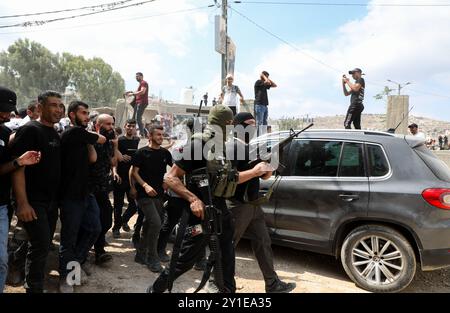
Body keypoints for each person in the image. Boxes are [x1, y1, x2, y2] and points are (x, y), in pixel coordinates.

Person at [148, 105, 273, 293]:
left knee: (226, 258)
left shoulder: (222, 146)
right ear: (219, 122)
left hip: (221, 210)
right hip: (200, 213)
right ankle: (154, 290)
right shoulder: (198, 144)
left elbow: (231, 178)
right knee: (184, 261)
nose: (231, 126)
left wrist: (256, 172)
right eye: (229, 122)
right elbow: (170, 177)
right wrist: (193, 199)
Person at [228, 112, 296, 293]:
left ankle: (272, 284)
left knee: (263, 242)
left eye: (254, 124)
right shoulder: (232, 147)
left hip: (253, 204)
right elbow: (229, 179)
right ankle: (216, 280)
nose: (253, 127)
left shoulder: (252, 148)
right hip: (237, 205)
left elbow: (264, 174)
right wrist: (255, 171)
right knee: (226, 245)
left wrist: (271, 164)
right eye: (248, 124)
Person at [10, 90, 62, 293]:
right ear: (40, 107)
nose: (58, 109)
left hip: (50, 201)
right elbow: (18, 168)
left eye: (60, 106)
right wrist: (22, 203)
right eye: (53, 105)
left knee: (42, 243)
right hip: (33, 201)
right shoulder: (31, 130)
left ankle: (17, 263)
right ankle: (33, 287)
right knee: (40, 245)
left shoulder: (54, 132)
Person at [58, 100, 106, 293]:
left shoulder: (82, 137)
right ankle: (67, 278)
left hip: (86, 193)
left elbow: (92, 158)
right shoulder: (72, 132)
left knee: (95, 228)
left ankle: (75, 265)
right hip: (71, 195)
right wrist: (92, 135)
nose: (87, 116)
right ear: (72, 115)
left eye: (88, 113)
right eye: (83, 113)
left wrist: (89, 139)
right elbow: (101, 139)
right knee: (68, 238)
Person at [0, 87, 41, 293]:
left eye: (8, 110)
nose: (6, 115)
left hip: (2, 205)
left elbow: (10, 167)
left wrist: (18, 161)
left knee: (1, 261)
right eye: (2, 109)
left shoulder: (7, 133)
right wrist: (18, 162)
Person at [131, 125, 173, 273]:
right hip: (144, 195)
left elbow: (174, 169)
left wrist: (167, 180)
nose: (161, 137)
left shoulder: (165, 153)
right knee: (156, 223)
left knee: (149, 224)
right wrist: (144, 185)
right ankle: (152, 258)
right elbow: (134, 172)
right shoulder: (141, 153)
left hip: (159, 195)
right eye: (158, 135)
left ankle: (140, 254)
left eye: (162, 135)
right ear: (150, 136)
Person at [89, 114, 121, 265]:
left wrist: (115, 146)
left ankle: (97, 247)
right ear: (98, 125)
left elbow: (113, 162)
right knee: (93, 222)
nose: (111, 127)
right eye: (107, 124)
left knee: (106, 220)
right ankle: (97, 251)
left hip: (102, 188)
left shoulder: (109, 142)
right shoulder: (90, 139)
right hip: (88, 188)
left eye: (112, 124)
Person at [112, 119, 140, 239]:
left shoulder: (137, 140)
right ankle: (116, 228)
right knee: (118, 205)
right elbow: (114, 155)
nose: (130, 128)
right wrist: (120, 158)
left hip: (131, 179)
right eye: (128, 126)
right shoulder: (119, 140)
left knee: (134, 205)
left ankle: (123, 221)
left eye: (132, 126)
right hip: (119, 178)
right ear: (125, 126)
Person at [254, 71, 277, 135]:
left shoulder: (264, 84)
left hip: (265, 105)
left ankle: (263, 138)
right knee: (259, 123)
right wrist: (263, 76)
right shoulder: (258, 82)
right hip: (259, 105)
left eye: (267, 76)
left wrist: (267, 78)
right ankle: (258, 138)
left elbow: (275, 85)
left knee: (265, 123)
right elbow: (267, 82)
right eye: (266, 76)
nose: (267, 77)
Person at [129, 72, 149, 138]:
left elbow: (142, 92)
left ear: (141, 76)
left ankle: (142, 134)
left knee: (138, 118)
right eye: (136, 76)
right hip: (138, 103)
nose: (136, 78)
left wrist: (132, 94)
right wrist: (131, 92)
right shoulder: (140, 84)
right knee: (133, 118)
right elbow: (137, 92)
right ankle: (132, 132)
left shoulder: (143, 83)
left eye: (138, 76)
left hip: (142, 102)